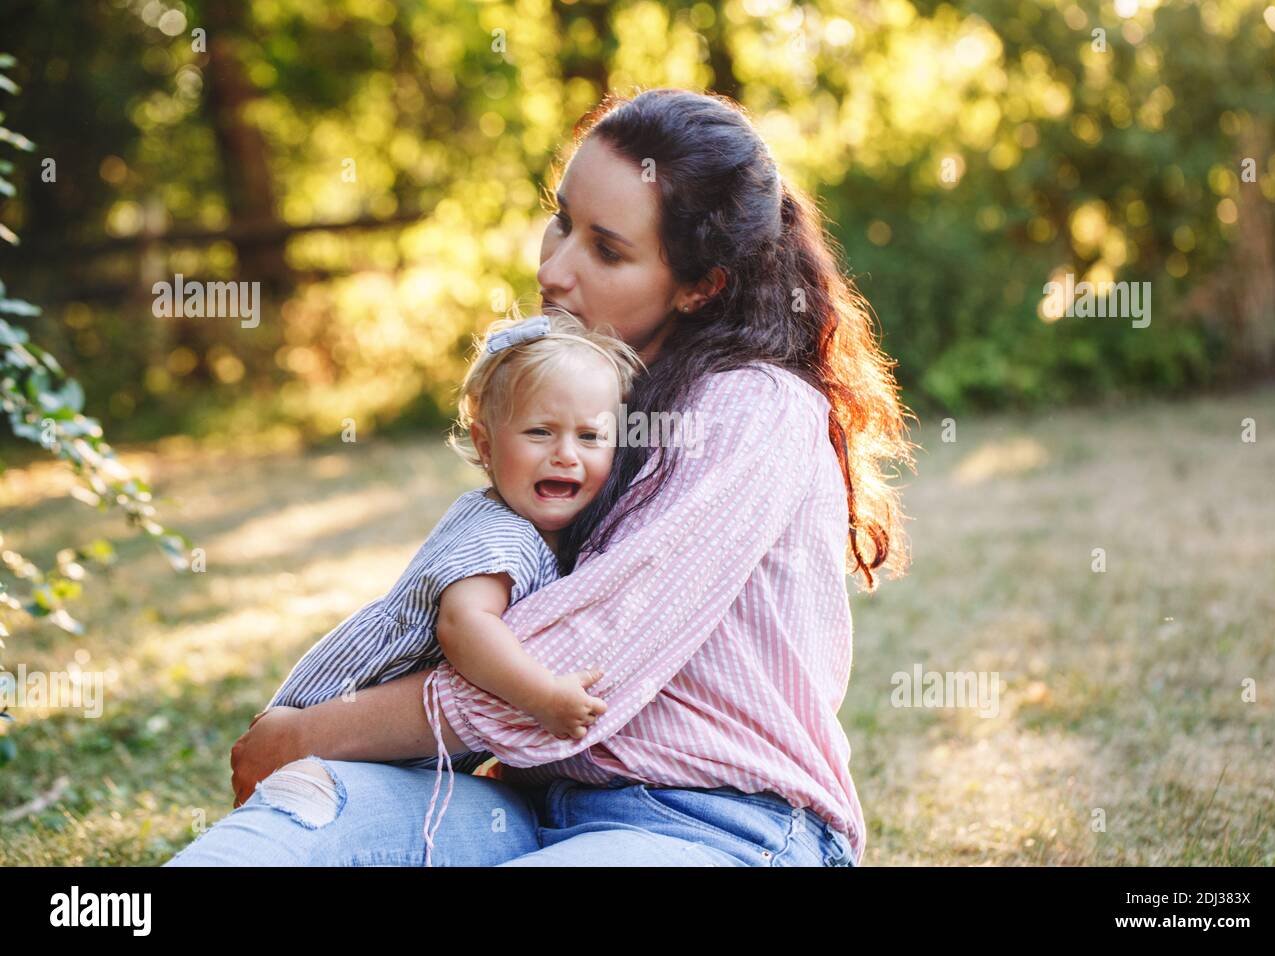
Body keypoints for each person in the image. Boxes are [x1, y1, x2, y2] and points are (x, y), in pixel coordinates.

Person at [165, 87, 914, 867]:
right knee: (308, 807)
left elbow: (581, 663)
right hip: (524, 809)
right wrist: (309, 757)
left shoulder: (754, 410)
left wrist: (305, 733)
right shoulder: (590, 401)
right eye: (561, 220)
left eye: (607, 249)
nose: (554, 269)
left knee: (308, 761)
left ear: (702, 285)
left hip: (720, 830)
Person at [254, 311, 641, 863]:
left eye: (590, 437)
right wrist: (543, 698)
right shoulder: (499, 534)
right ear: (485, 446)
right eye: (539, 432)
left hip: (383, 748)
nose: (565, 453)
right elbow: (465, 628)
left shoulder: (539, 531)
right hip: (344, 724)